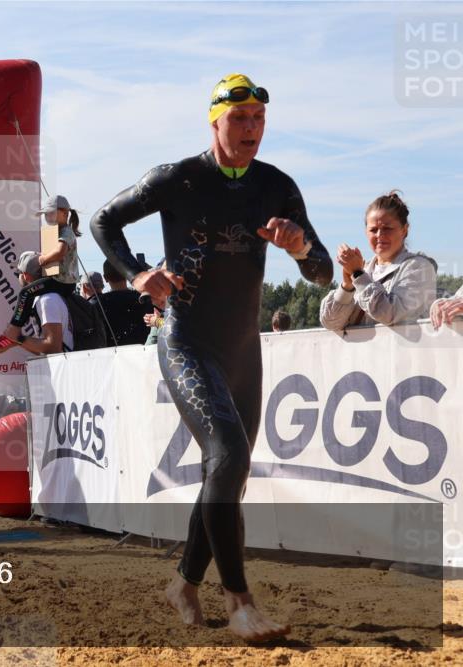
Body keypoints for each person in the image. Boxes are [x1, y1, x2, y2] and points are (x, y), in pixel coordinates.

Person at [90, 73, 332, 641]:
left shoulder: (277, 186)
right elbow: (103, 220)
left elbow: (321, 269)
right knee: (226, 456)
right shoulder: (176, 178)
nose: (251, 129)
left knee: (226, 474)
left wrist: (300, 250)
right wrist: (137, 273)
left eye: (259, 120)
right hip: (188, 342)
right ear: (215, 121)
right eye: (240, 119)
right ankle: (241, 603)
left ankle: (183, 582)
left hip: (243, 351)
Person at [320, 191, 437, 332]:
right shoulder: (365, 269)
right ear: (366, 232)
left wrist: (358, 274)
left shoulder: (419, 267)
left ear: (404, 230)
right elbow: (331, 323)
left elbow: (391, 314)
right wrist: (347, 286)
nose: (380, 235)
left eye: (387, 228)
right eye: (373, 230)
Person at [0, 195, 81, 353]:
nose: (47, 217)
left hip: (62, 282)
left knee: (25, 292)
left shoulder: (65, 232)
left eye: (51, 213)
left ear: (64, 213)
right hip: (62, 281)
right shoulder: (57, 233)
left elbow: (59, 253)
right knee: (29, 296)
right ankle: (16, 334)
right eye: (46, 215)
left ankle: (14, 331)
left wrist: (41, 259)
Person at [9, 250, 73, 355]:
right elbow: (42, 350)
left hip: (62, 367)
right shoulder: (43, 298)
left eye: (18, 274)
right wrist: (18, 341)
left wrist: (18, 338)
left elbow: (54, 348)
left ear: (26, 276)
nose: (18, 277)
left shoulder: (47, 300)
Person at [98, 259, 152, 346]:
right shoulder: (143, 299)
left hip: (112, 355)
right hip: (143, 352)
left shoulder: (99, 304)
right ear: (126, 275)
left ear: (105, 278)